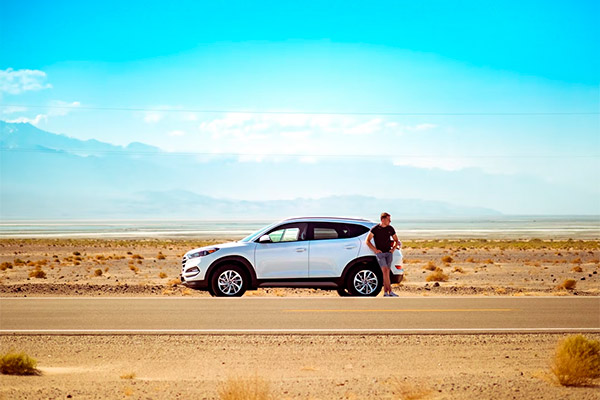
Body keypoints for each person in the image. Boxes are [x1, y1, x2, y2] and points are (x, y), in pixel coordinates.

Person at [365, 212, 400, 297]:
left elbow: (396, 240)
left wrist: (393, 249)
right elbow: (367, 241)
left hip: (388, 253)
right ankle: (386, 292)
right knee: (384, 271)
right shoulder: (375, 229)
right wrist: (375, 250)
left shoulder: (390, 228)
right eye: (388, 219)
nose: (390, 221)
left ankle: (388, 292)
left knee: (387, 272)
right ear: (383, 219)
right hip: (380, 254)